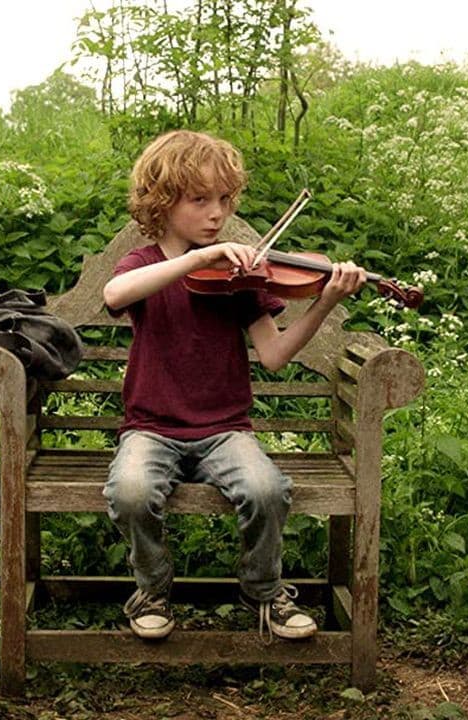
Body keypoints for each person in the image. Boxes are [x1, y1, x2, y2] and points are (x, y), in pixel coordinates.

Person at [101, 129, 368, 641]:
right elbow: (115, 294)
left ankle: (263, 590)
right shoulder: (145, 265)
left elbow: (275, 356)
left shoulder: (239, 277)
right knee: (131, 493)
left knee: (267, 490)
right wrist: (198, 259)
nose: (217, 214)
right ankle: (152, 588)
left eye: (224, 200)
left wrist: (325, 302)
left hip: (225, 429)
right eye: (200, 200)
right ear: (162, 201)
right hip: (151, 428)